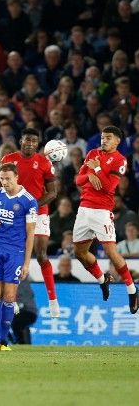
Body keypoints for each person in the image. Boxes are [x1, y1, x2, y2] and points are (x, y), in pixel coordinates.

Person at [72, 125, 137, 314]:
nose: (104, 140)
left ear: (117, 141)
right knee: (79, 253)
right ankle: (102, 279)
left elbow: (108, 188)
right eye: (102, 137)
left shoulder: (120, 160)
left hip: (102, 211)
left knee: (111, 251)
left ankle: (132, 291)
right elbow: (78, 180)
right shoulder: (92, 152)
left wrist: (97, 169)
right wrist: (91, 174)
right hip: (84, 209)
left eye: (108, 138)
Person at [1, 128, 60, 317]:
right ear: (21, 141)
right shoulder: (9, 160)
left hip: (39, 213)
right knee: (13, 258)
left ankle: (53, 301)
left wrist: (32, 205)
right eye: (27, 140)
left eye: (34, 141)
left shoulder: (44, 163)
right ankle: (13, 300)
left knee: (41, 255)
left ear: (38, 144)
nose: (30, 144)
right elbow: (4, 186)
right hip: (15, 214)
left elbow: (52, 193)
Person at [0, 163, 38, 351]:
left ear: (17, 178)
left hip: (15, 253)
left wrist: (27, 264)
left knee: (10, 296)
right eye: (2, 179)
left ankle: (3, 341)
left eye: (8, 179)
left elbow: (30, 234)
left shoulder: (29, 201)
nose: (4, 182)